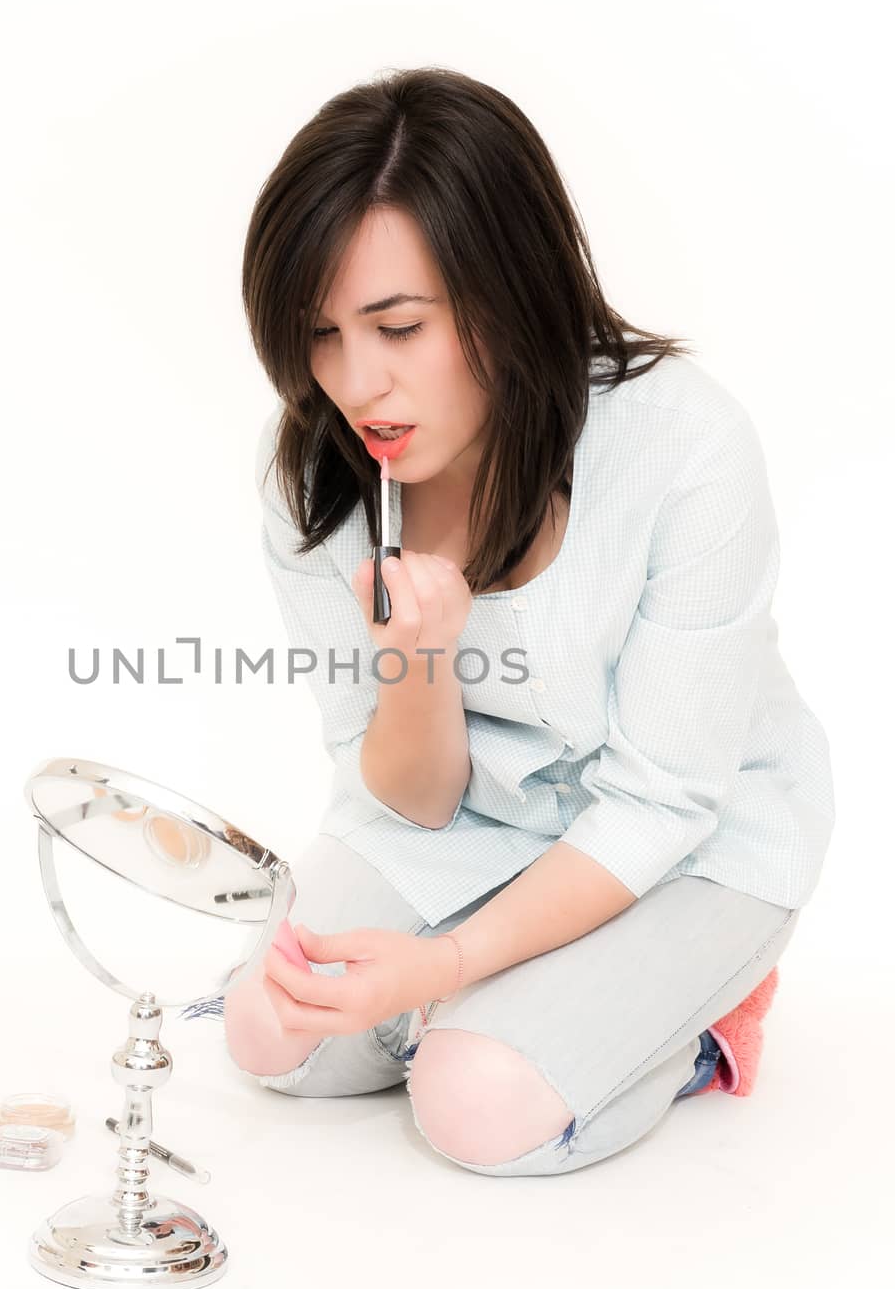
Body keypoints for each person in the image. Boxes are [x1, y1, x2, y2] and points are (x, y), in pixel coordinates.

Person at [222, 67, 834, 1176]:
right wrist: (416, 664)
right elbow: (407, 794)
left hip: (696, 840)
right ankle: (519, 1002)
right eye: (320, 336)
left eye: (398, 326)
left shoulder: (684, 450)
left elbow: (661, 802)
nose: (357, 385)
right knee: (271, 1037)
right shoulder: (320, 478)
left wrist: (441, 968)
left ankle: (705, 1020)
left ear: (505, 291)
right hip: (474, 822)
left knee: (474, 1103)